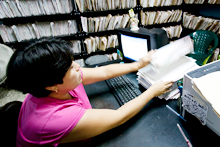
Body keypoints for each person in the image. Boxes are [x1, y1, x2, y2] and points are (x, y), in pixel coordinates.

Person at [6, 38, 173, 147]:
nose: (78, 67)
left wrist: (138, 64)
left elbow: (104, 72)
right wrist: (152, 91)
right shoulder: (53, 118)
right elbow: (118, 117)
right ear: (51, 85)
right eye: (70, 67)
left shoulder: (55, 83)